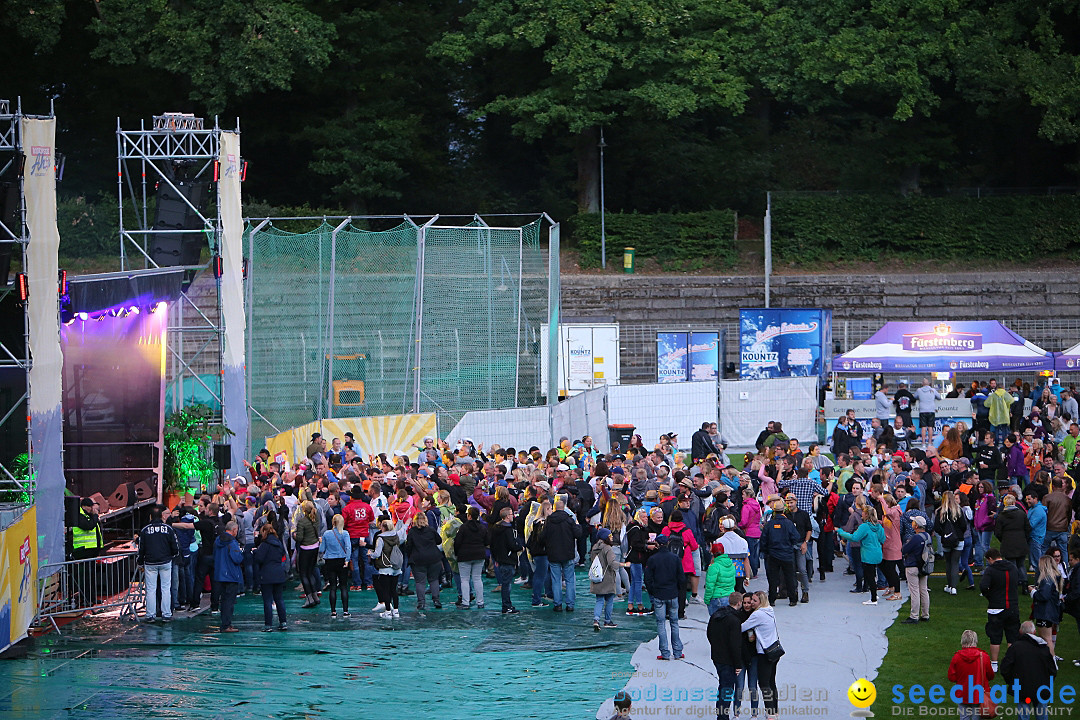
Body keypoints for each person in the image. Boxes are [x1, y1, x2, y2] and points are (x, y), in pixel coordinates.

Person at [1000, 621, 1057, 719]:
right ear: (1034, 632)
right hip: (1041, 687)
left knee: (1023, 716)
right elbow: (1052, 670)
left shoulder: (1015, 647)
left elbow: (1005, 668)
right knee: (1042, 715)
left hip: (1022, 688)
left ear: (1020, 631)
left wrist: (1012, 681)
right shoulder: (1043, 647)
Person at [741, 591, 782, 718]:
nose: (751, 603)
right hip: (775, 650)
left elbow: (742, 627)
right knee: (771, 682)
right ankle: (774, 711)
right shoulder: (769, 610)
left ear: (760, 602)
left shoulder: (758, 614)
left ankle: (770, 713)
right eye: (751, 600)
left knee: (764, 683)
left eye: (754, 601)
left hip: (764, 653)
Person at [644, 535, 684, 660]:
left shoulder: (653, 559)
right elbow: (681, 578)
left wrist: (653, 591)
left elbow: (648, 578)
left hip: (659, 594)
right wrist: (677, 590)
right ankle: (677, 652)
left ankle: (665, 653)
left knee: (661, 623)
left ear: (656, 544)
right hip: (672, 594)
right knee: (674, 622)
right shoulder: (675, 558)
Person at [836, 505, 886, 605]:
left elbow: (855, 537)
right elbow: (882, 539)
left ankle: (873, 599)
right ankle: (874, 594)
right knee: (873, 574)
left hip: (868, 554)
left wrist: (841, 532)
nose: (861, 513)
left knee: (870, 576)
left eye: (863, 512)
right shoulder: (878, 526)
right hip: (878, 552)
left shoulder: (864, 526)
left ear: (866, 514)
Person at [980, 548, 1020, 671]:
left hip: (996, 608)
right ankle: (1012, 662)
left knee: (995, 637)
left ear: (990, 559)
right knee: (1012, 636)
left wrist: (991, 596)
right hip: (1012, 606)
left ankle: (994, 663)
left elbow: (983, 586)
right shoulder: (1013, 568)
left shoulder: (991, 570)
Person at [137, 506, 179, 623]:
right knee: (166, 588)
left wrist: (140, 562)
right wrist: (171, 556)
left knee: (151, 589)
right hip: (165, 561)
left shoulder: (145, 530)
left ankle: (150, 615)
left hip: (150, 562)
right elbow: (175, 547)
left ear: (150, 517)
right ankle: (166, 614)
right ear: (161, 516)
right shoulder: (168, 529)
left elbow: (141, 548)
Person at [708, 591, 744, 720]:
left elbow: (709, 634)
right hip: (728, 659)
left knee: (723, 686)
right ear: (739, 603)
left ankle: (721, 713)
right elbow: (735, 644)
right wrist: (738, 664)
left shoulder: (717, 615)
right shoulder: (734, 620)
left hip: (717, 656)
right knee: (727, 688)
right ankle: (722, 716)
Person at [544, 498, 583, 612]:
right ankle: (570, 604)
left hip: (553, 554)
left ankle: (558, 604)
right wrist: (577, 525)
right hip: (568, 553)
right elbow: (578, 534)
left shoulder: (549, 521)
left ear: (555, 508)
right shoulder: (569, 520)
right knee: (570, 580)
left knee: (556, 580)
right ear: (564, 507)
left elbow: (543, 536)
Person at [760, 499, 800, 607]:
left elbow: (763, 540)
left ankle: (772, 599)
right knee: (790, 577)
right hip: (787, 554)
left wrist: (766, 551)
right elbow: (796, 537)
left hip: (773, 554)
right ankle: (792, 599)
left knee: (773, 578)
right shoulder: (789, 523)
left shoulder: (769, 524)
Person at [946, 630, 994, 718]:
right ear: (975, 641)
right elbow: (991, 675)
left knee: (964, 717)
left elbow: (951, 677)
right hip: (979, 694)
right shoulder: (984, 656)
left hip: (962, 693)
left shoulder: (957, 657)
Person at [404, 511, 444, 611]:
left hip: (418, 559)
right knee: (434, 580)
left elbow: (408, 546)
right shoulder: (430, 530)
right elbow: (439, 540)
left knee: (420, 582)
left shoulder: (412, 532)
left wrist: (410, 556)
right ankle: (436, 600)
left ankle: (421, 603)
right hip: (434, 558)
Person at [252, 523, 288, 631]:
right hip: (279, 573)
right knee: (279, 599)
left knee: (267, 600)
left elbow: (259, 559)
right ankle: (283, 622)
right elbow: (282, 555)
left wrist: (255, 552)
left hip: (267, 574)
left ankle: (268, 624)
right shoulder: (279, 543)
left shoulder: (264, 545)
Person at [489, 505, 523, 615]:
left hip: (500, 558)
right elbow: (511, 545)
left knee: (505, 583)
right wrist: (520, 547)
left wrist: (495, 558)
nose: (513, 516)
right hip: (508, 559)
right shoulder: (508, 530)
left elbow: (492, 544)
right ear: (507, 516)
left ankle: (506, 605)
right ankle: (506, 606)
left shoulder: (495, 528)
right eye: (512, 514)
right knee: (507, 585)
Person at [453, 506, 488, 609]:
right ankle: (480, 602)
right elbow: (487, 541)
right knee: (477, 578)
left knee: (464, 579)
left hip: (464, 556)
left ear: (469, 516)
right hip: (479, 555)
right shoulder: (482, 528)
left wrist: (456, 553)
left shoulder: (463, 527)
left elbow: (457, 542)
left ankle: (465, 602)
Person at [372, 517, 407, 618]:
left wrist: (371, 554)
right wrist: (406, 523)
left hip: (385, 567)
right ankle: (396, 611)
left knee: (386, 590)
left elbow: (377, 553)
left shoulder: (380, 538)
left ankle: (387, 611)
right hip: (396, 566)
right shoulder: (396, 536)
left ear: (383, 527)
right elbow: (402, 531)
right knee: (393, 590)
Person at [71, 497, 103, 604]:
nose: (91, 510)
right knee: (85, 578)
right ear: (84, 506)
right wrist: (94, 515)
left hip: (91, 551)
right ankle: (86, 599)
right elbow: (89, 526)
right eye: (90, 508)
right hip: (83, 551)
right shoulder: (79, 516)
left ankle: (92, 598)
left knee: (91, 577)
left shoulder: (89, 515)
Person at [993, 495, 1030, 589]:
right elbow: (1028, 528)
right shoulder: (1021, 514)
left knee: (1011, 565)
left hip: (1008, 543)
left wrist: (1003, 539)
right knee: (1021, 564)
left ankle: (1013, 584)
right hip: (1021, 542)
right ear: (1014, 503)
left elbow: (997, 532)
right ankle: (1025, 584)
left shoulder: (1001, 516)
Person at [213, 521, 244, 632]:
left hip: (220, 575)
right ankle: (226, 625)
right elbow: (237, 558)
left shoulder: (218, 540)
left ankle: (225, 623)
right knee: (229, 602)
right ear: (234, 530)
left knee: (224, 601)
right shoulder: (232, 542)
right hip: (231, 575)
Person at [319, 513, 352, 617]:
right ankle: (345, 611)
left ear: (333, 522)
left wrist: (321, 542)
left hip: (330, 561)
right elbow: (348, 547)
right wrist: (347, 559)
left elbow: (321, 550)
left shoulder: (326, 534)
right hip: (342, 560)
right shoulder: (345, 533)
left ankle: (333, 611)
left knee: (332, 586)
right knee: (343, 586)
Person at [936, 491, 968, 595]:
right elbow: (964, 525)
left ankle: (950, 585)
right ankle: (954, 587)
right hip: (958, 539)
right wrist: (958, 534)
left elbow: (936, 527)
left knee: (948, 563)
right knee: (955, 563)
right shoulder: (958, 510)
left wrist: (944, 534)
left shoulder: (940, 511)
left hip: (946, 540)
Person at [1031, 555, 1064, 657]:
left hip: (1045, 612)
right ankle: (1049, 661)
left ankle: (1052, 663)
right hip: (1051, 611)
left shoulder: (1047, 579)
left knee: (1046, 639)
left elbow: (1044, 596)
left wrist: (1033, 592)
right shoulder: (1055, 577)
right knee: (1046, 639)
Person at [901, 515, 930, 623]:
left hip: (912, 566)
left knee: (914, 591)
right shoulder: (927, 536)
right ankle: (925, 614)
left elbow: (904, 550)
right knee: (924, 590)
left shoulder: (915, 537)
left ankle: (914, 616)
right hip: (924, 566)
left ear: (916, 526)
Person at [590, 527, 620, 630]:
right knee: (609, 600)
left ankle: (596, 619)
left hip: (597, 577)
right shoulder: (608, 548)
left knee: (599, 600)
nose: (611, 537)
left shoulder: (594, 547)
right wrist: (623, 564)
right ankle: (607, 621)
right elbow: (612, 563)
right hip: (607, 578)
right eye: (610, 536)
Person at [293, 500, 321, 609]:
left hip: (305, 549)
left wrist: (294, 535)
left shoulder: (302, 522)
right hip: (315, 547)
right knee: (310, 572)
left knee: (303, 574)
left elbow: (299, 538)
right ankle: (314, 595)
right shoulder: (316, 518)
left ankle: (309, 598)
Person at [704, 542, 737, 615]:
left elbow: (710, 586)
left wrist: (707, 599)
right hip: (729, 596)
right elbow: (733, 582)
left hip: (717, 597)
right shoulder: (731, 564)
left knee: (716, 623)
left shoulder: (714, 567)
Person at [915, 378, 942, 446]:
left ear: (922, 384)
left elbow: (915, 397)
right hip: (931, 410)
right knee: (930, 427)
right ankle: (930, 443)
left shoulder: (919, 390)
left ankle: (923, 443)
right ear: (929, 383)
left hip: (922, 410)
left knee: (923, 427)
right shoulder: (933, 390)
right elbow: (939, 397)